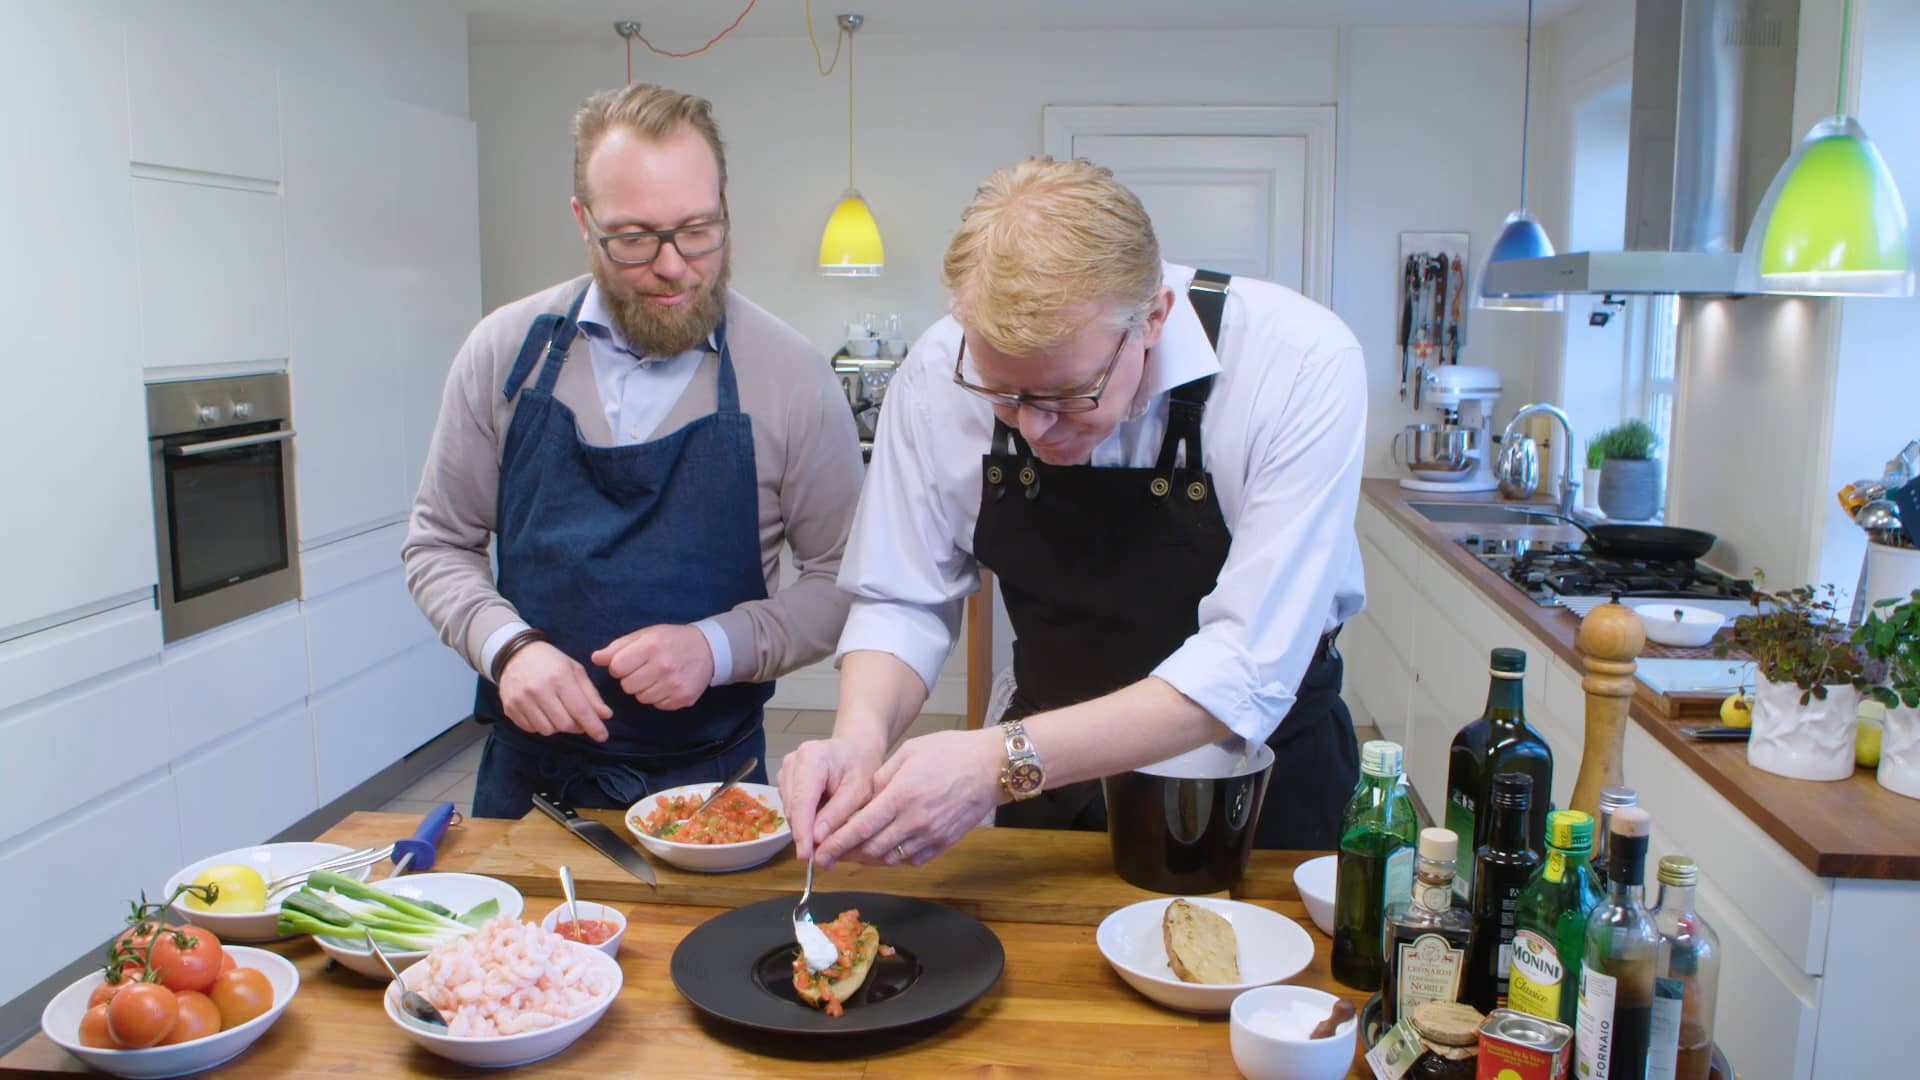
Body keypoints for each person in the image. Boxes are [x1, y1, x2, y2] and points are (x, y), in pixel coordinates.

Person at [779, 156, 1366, 867]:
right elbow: (902, 596)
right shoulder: (939, 371)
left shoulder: (1297, 362)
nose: (1031, 430)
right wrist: (857, 739)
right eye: (1002, 395)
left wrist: (1000, 760)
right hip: (1049, 782)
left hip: (1258, 781)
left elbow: (1245, 667)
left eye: (1067, 396)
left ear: (1153, 317)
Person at [404, 83, 864, 819]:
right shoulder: (503, 354)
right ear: (584, 225)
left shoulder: (789, 373)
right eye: (634, 239)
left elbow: (847, 579)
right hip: (529, 789)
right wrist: (506, 647)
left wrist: (718, 647)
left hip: (716, 788)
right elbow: (437, 544)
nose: (674, 265)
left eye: (698, 231)